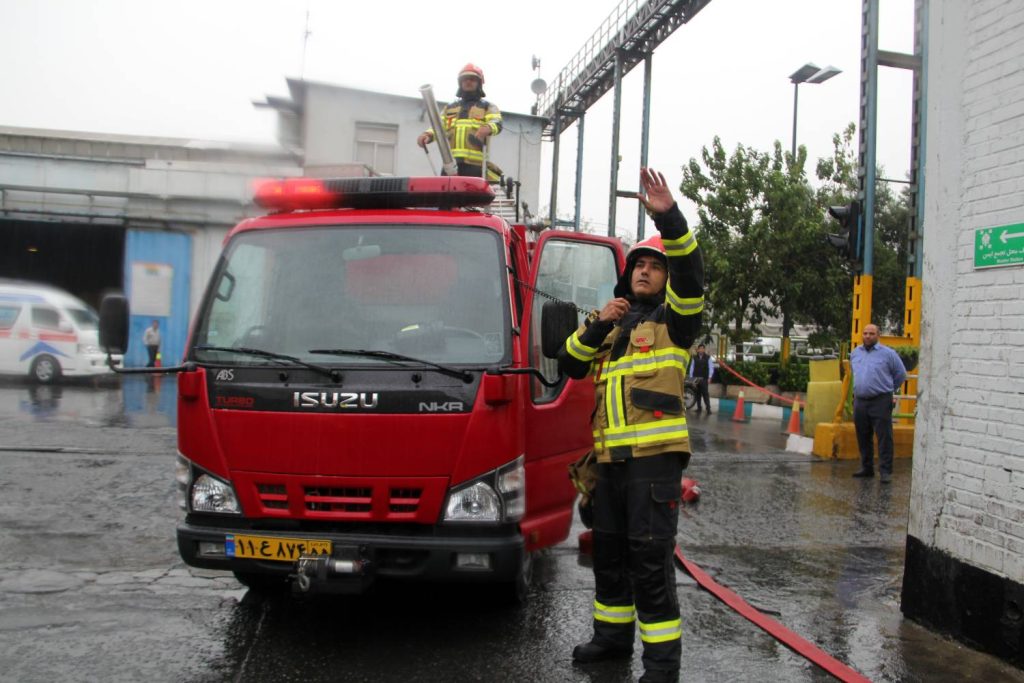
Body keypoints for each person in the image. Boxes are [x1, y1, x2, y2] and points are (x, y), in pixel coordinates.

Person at [558, 167, 704, 683]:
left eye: (653, 267)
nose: (644, 271)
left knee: (649, 562)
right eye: (638, 265)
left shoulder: (675, 322)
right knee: (610, 555)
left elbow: (691, 275)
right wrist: (598, 322)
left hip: (655, 465)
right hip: (610, 467)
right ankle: (611, 639)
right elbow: (569, 363)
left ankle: (662, 667)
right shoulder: (613, 327)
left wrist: (668, 217)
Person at [417, 63, 503, 182]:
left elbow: (497, 122)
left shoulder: (487, 107)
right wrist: (428, 135)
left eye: (472, 79)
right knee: (446, 199)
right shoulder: (450, 108)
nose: (468, 82)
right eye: (464, 79)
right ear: (460, 83)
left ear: (479, 83)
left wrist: (489, 127)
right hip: (450, 165)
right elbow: (438, 126)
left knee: (474, 200)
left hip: (476, 167)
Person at [849, 323, 907, 483]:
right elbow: (854, 373)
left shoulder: (888, 354)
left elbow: (901, 374)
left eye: (871, 333)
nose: (868, 336)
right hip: (860, 400)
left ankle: (886, 471)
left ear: (878, 335)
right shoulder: (855, 353)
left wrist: (888, 389)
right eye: (865, 333)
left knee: (884, 436)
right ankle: (866, 468)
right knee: (862, 435)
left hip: (880, 400)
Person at [688, 343, 715, 413]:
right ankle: (699, 408)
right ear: (698, 350)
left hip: (704, 378)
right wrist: (691, 378)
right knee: (697, 393)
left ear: (704, 350)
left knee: (705, 394)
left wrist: (709, 377)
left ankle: (708, 409)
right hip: (696, 378)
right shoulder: (694, 357)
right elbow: (692, 367)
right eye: (700, 349)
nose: (701, 350)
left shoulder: (708, 358)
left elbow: (711, 368)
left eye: (703, 349)